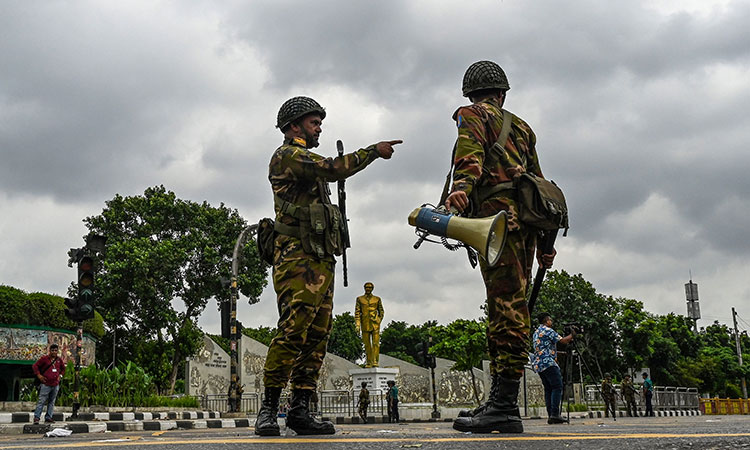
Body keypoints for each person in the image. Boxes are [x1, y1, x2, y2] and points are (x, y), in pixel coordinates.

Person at [253, 96, 402, 437]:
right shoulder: (288, 155)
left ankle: (300, 410)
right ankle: (268, 408)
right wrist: (372, 152)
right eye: (313, 122)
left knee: (317, 335)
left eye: (320, 122)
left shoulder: (306, 159)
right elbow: (334, 168)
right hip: (296, 258)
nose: (319, 127)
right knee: (293, 330)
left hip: (320, 258)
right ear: (294, 127)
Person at [448, 61, 556, 434]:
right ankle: (500, 401)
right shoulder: (523, 127)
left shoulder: (472, 115)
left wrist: (460, 187)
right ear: (503, 93)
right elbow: (540, 186)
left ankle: (505, 406)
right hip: (523, 227)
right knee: (510, 306)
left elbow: (469, 155)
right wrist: (545, 243)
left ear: (470, 93)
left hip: (496, 225)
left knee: (505, 311)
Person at [530, 312, 575, 424]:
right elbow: (563, 341)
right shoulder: (548, 330)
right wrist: (573, 334)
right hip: (548, 363)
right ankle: (555, 414)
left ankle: (551, 414)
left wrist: (558, 353)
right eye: (550, 320)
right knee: (557, 387)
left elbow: (543, 348)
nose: (551, 322)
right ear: (547, 320)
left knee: (548, 389)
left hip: (539, 364)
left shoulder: (536, 332)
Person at [32, 343, 65, 424]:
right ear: (50, 351)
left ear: (57, 351)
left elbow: (63, 368)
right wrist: (39, 375)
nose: (54, 352)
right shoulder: (44, 359)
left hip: (55, 384)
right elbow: (35, 366)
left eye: (56, 350)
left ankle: (48, 417)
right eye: (52, 350)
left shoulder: (59, 360)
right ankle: (37, 417)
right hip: (45, 383)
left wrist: (60, 375)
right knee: (41, 401)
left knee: (51, 402)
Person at [355, 282, 384, 368]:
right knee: (367, 345)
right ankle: (368, 362)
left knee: (375, 343)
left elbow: (381, 311)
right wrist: (357, 324)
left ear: (372, 289)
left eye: (370, 287)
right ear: (364, 288)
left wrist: (378, 320)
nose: (368, 289)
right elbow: (357, 312)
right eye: (366, 287)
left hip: (375, 324)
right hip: (365, 324)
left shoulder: (377, 299)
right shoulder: (360, 299)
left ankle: (375, 361)